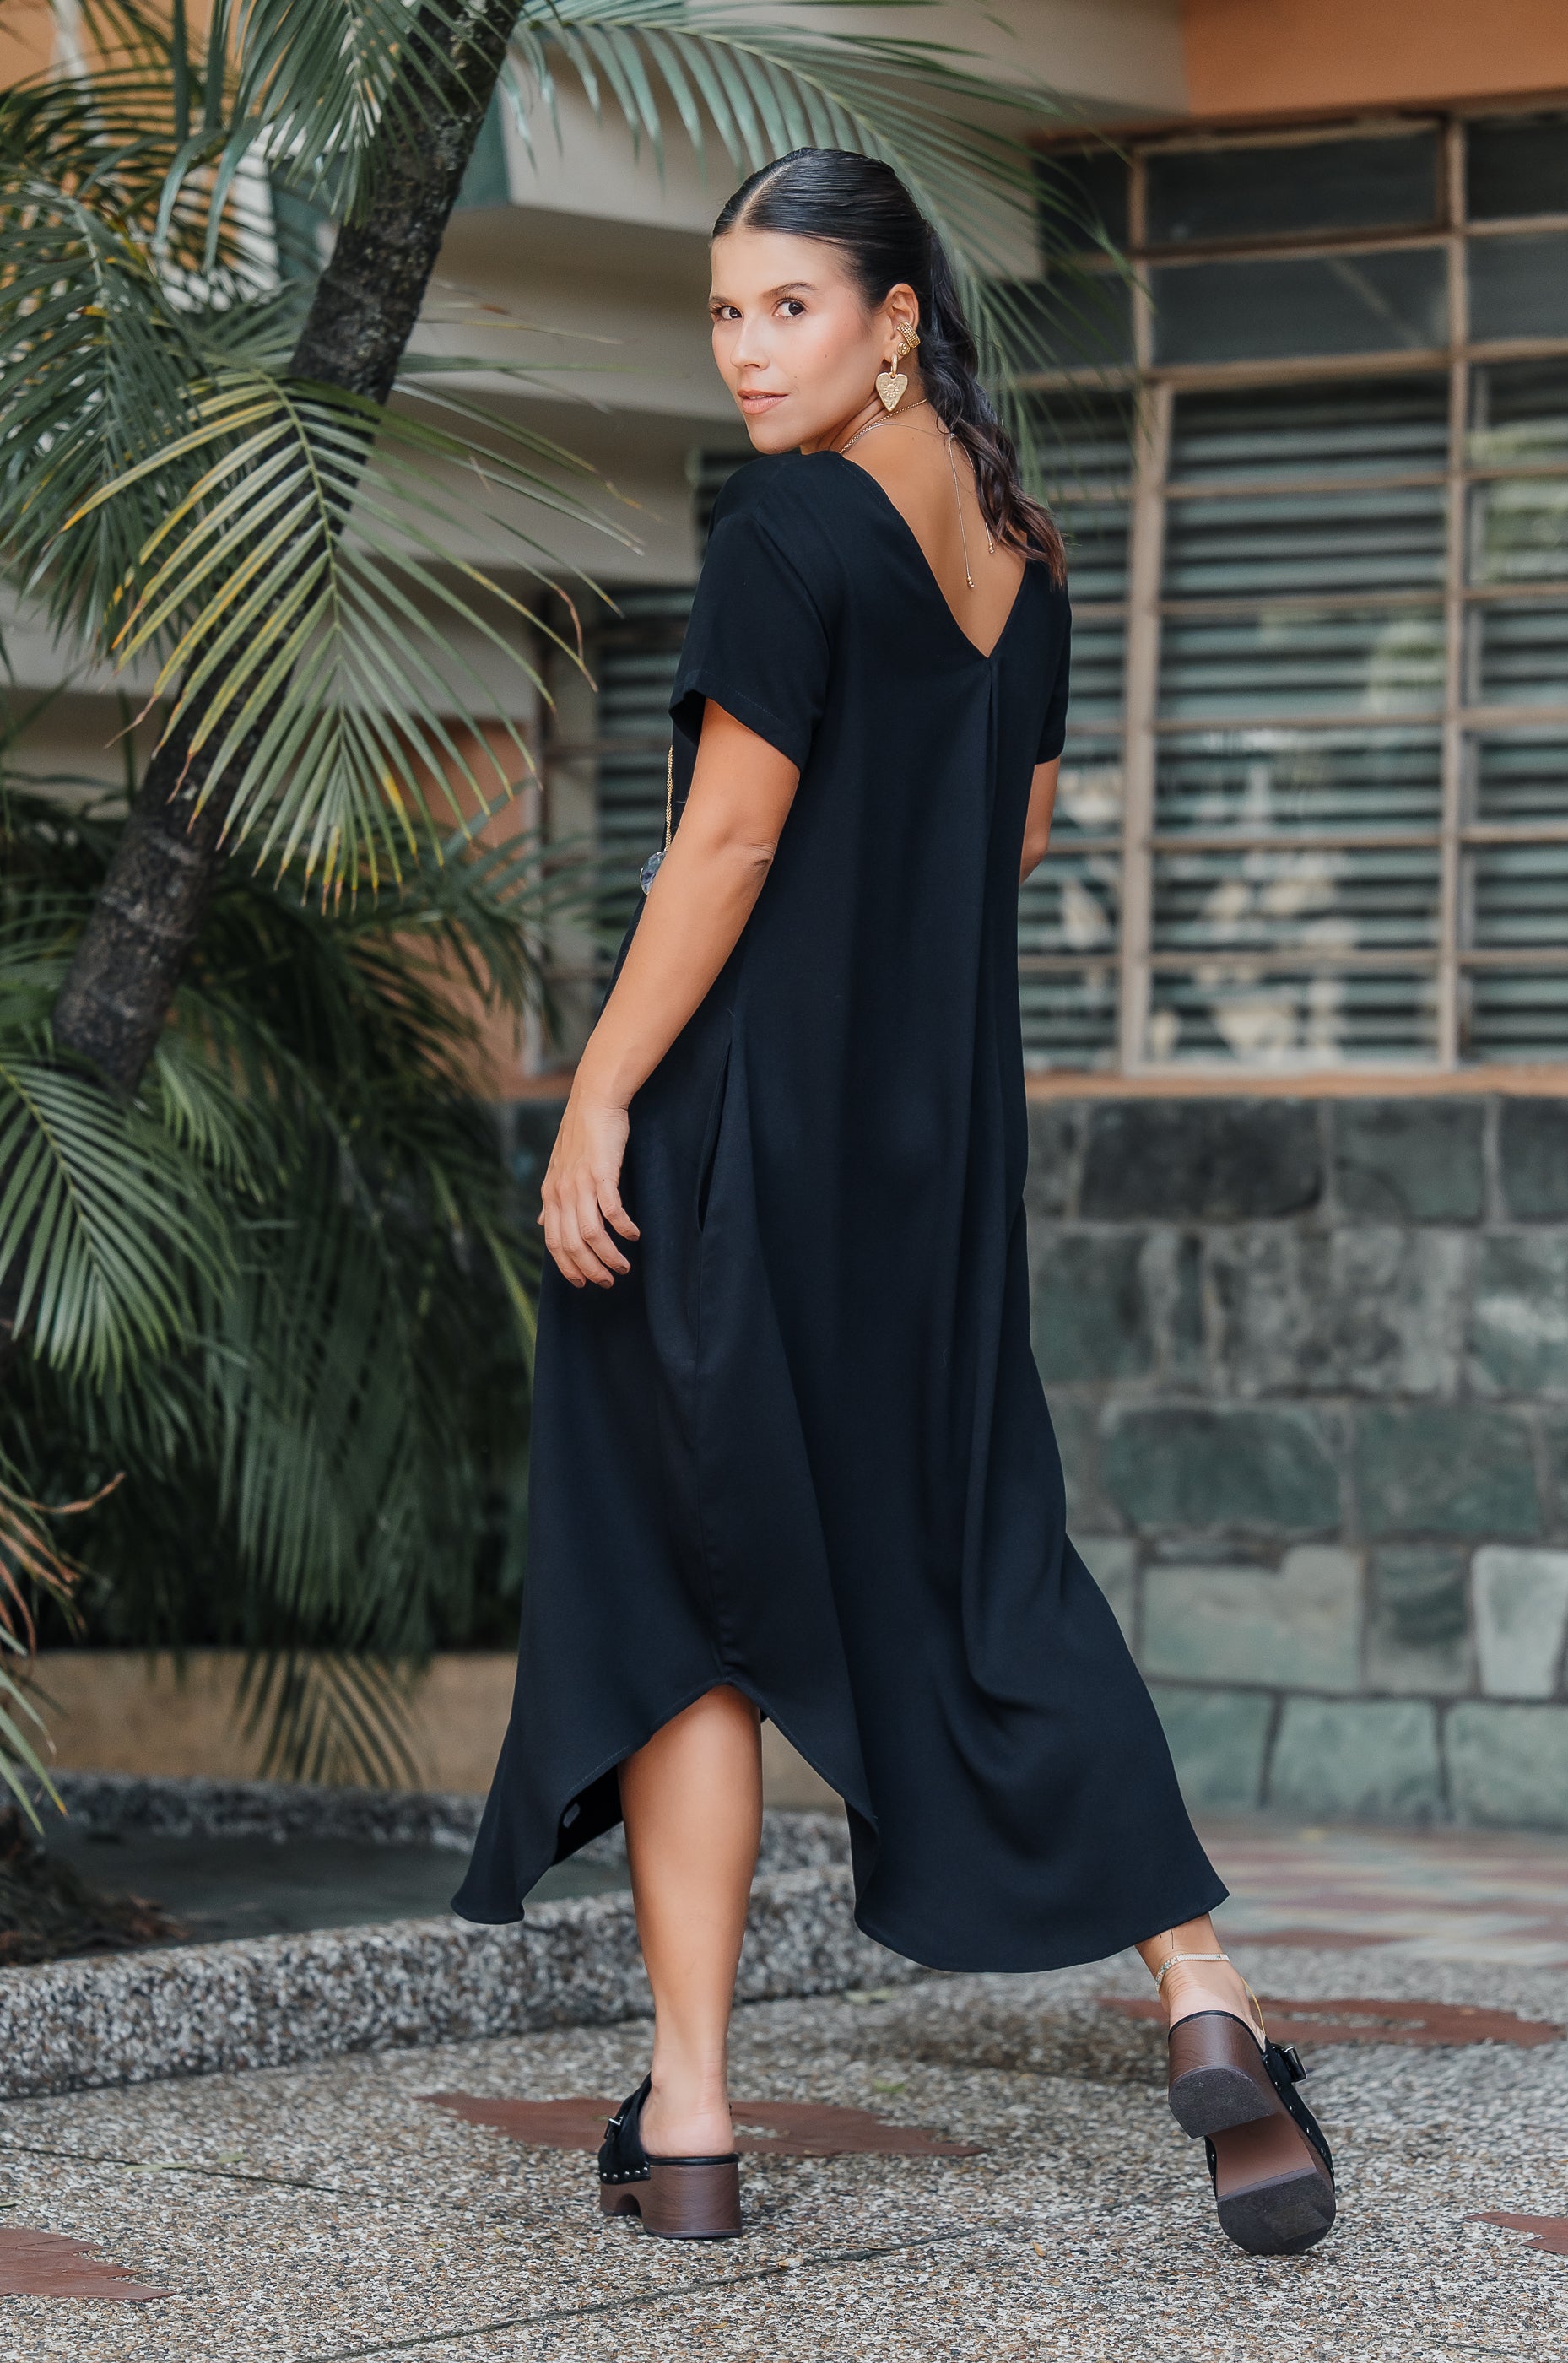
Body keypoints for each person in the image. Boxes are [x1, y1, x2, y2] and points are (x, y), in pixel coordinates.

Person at [452, 147, 1333, 2257]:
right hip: (924, 1161)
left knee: (673, 1599)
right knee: (985, 1558)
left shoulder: (787, 530)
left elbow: (730, 842)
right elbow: (1007, 839)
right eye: (726, 313)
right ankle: (1201, 1982)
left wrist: (602, 1089)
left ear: (895, 321)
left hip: (737, 1136)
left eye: (789, 308)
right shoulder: (1022, 558)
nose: (747, 353)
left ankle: (690, 2117)